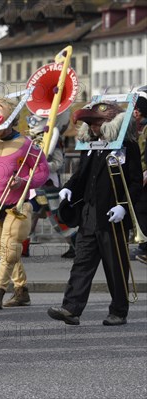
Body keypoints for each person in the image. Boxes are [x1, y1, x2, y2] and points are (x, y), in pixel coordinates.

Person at [48, 101, 142, 326]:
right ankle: (71, 308)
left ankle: (118, 311)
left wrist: (124, 208)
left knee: (115, 266)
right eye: (90, 124)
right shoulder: (91, 146)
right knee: (82, 263)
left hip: (113, 216)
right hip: (89, 214)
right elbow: (81, 175)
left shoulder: (129, 147)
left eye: (97, 123)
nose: (92, 127)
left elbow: (136, 184)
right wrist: (69, 187)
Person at [0, 96, 49, 309]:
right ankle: (22, 290)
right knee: (6, 250)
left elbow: (43, 171)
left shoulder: (27, 143)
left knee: (9, 248)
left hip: (19, 206)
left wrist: (24, 181)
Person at [21, 111, 69, 258]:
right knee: (29, 215)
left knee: (57, 217)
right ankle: (23, 248)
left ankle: (76, 244)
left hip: (49, 184)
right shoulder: (30, 140)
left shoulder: (55, 139)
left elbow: (59, 163)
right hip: (34, 185)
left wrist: (43, 166)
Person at [130, 93, 147, 264]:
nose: (134, 112)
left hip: (144, 174)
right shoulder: (139, 126)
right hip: (140, 173)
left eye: (136, 109)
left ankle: (144, 246)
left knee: (142, 210)